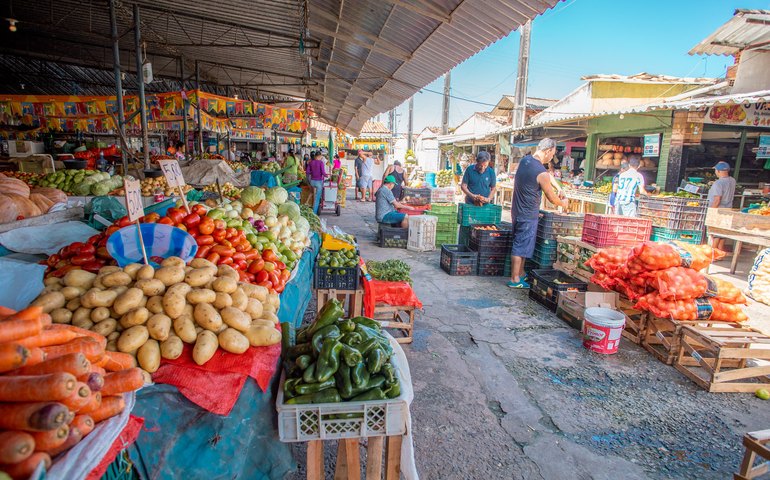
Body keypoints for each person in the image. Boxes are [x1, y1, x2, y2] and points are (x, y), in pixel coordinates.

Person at [508, 138, 569, 289]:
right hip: (528, 213)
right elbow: (551, 197)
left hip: (517, 209)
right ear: (548, 151)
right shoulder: (540, 172)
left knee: (523, 244)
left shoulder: (526, 161)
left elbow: (547, 176)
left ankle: (521, 274)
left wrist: (558, 186)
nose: (552, 157)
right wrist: (563, 203)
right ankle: (515, 279)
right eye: (552, 154)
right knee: (521, 245)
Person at [709, 161, 737, 252]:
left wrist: (711, 212)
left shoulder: (718, 183)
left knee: (716, 233)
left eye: (716, 170)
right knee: (722, 232)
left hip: (718, 210)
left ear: (719, 171)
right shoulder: (732, 180)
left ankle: (713, 254)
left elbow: (717, 200)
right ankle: (720, 253)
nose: (715, 172)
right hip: (728, 209)